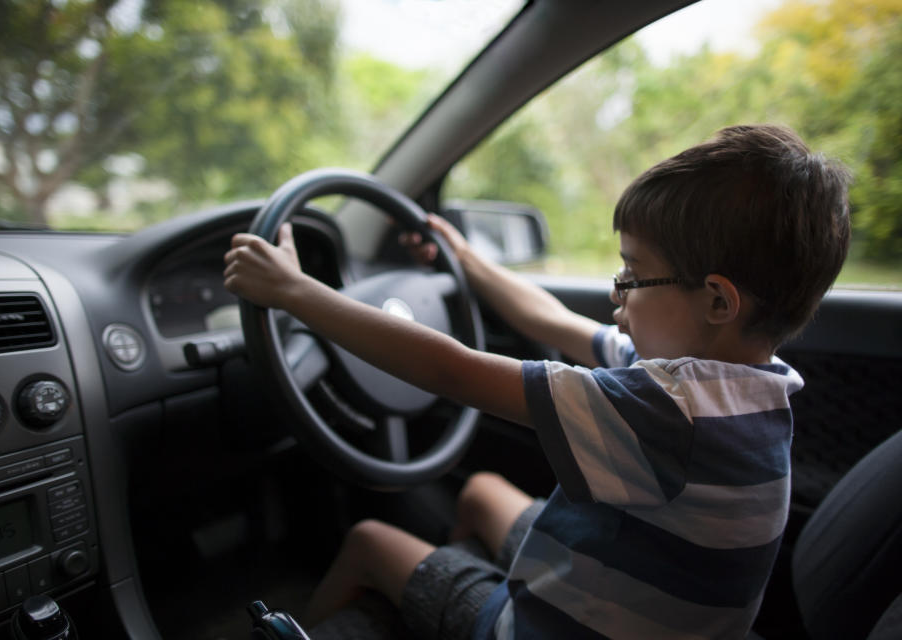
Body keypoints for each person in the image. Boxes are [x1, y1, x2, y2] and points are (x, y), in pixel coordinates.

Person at [222, 124, 852, 639]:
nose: (616, 292)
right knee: (482, 492)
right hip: (638, 607)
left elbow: (450, 368)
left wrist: (295, 292)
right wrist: (465, 260)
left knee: (366, 541)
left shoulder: (664, 411)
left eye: (631, 274)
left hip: (557, 629)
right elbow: (549, 319)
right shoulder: (746, 385)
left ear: (718, 301)